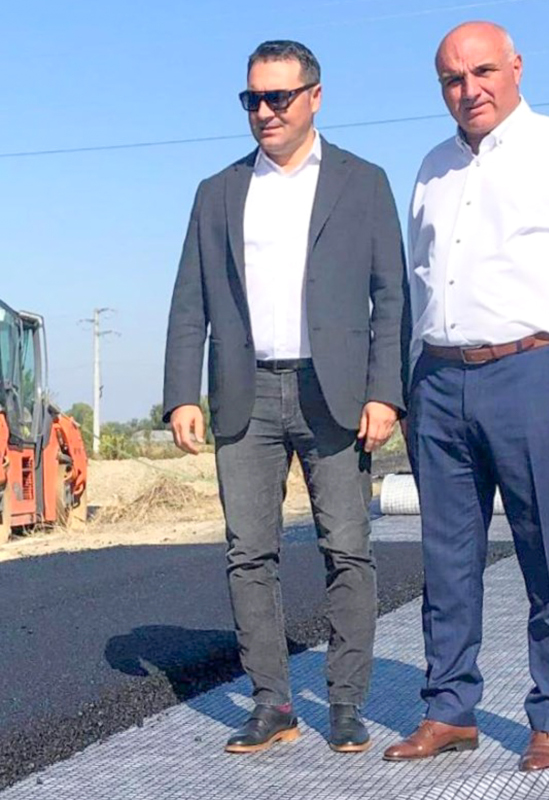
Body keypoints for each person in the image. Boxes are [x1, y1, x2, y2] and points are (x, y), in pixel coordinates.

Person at [383, 22, 549, 771]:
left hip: (533, 374)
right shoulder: (431, 169)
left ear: (516, 67)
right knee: (445, 558)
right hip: (439, 381)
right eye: (452, 80)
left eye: (483, 72)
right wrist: (409, 384)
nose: (469, 90)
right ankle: (448, 708)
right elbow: (419, 281)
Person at [163, 40, 409, 755]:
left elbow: (392, 297)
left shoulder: (363, 183)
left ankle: (345, 702)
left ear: (314, 97)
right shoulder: (217, 192)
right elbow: (189, 300)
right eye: (253, 99)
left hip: (334, 392)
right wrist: (181, 394)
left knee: (347, 548)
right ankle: (272, 704)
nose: (264, 111)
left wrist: (385, 392)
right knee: (249, 554)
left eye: (278, 97)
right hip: (245, 393)